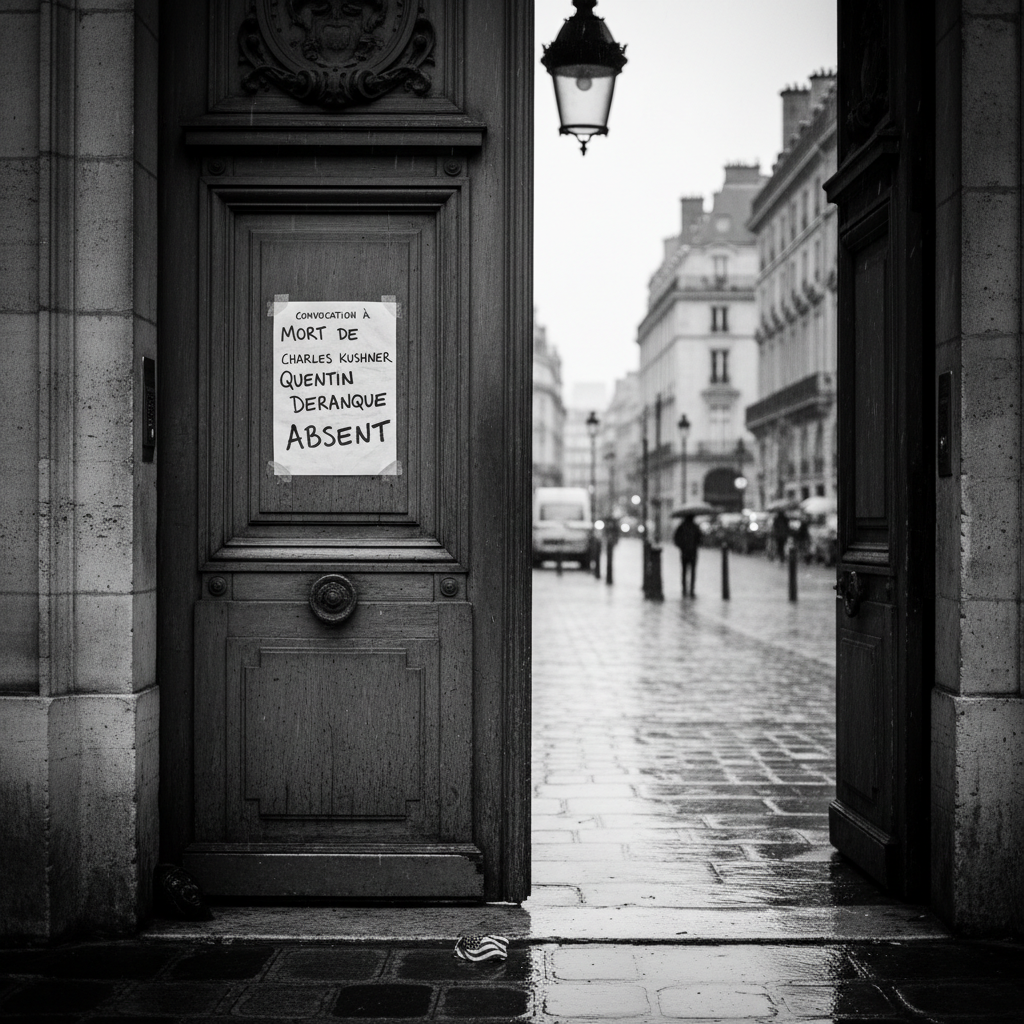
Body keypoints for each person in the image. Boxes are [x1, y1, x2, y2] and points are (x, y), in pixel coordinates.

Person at [673, 513, 702, 597]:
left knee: (684, 571)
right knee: (692, 571)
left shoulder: (682, 526)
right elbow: (700, 539)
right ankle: (691, 590)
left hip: (685, 552)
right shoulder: (695, 527)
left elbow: (676, 538)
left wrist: (681, 546)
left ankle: (684, 589)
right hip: (693, 552)